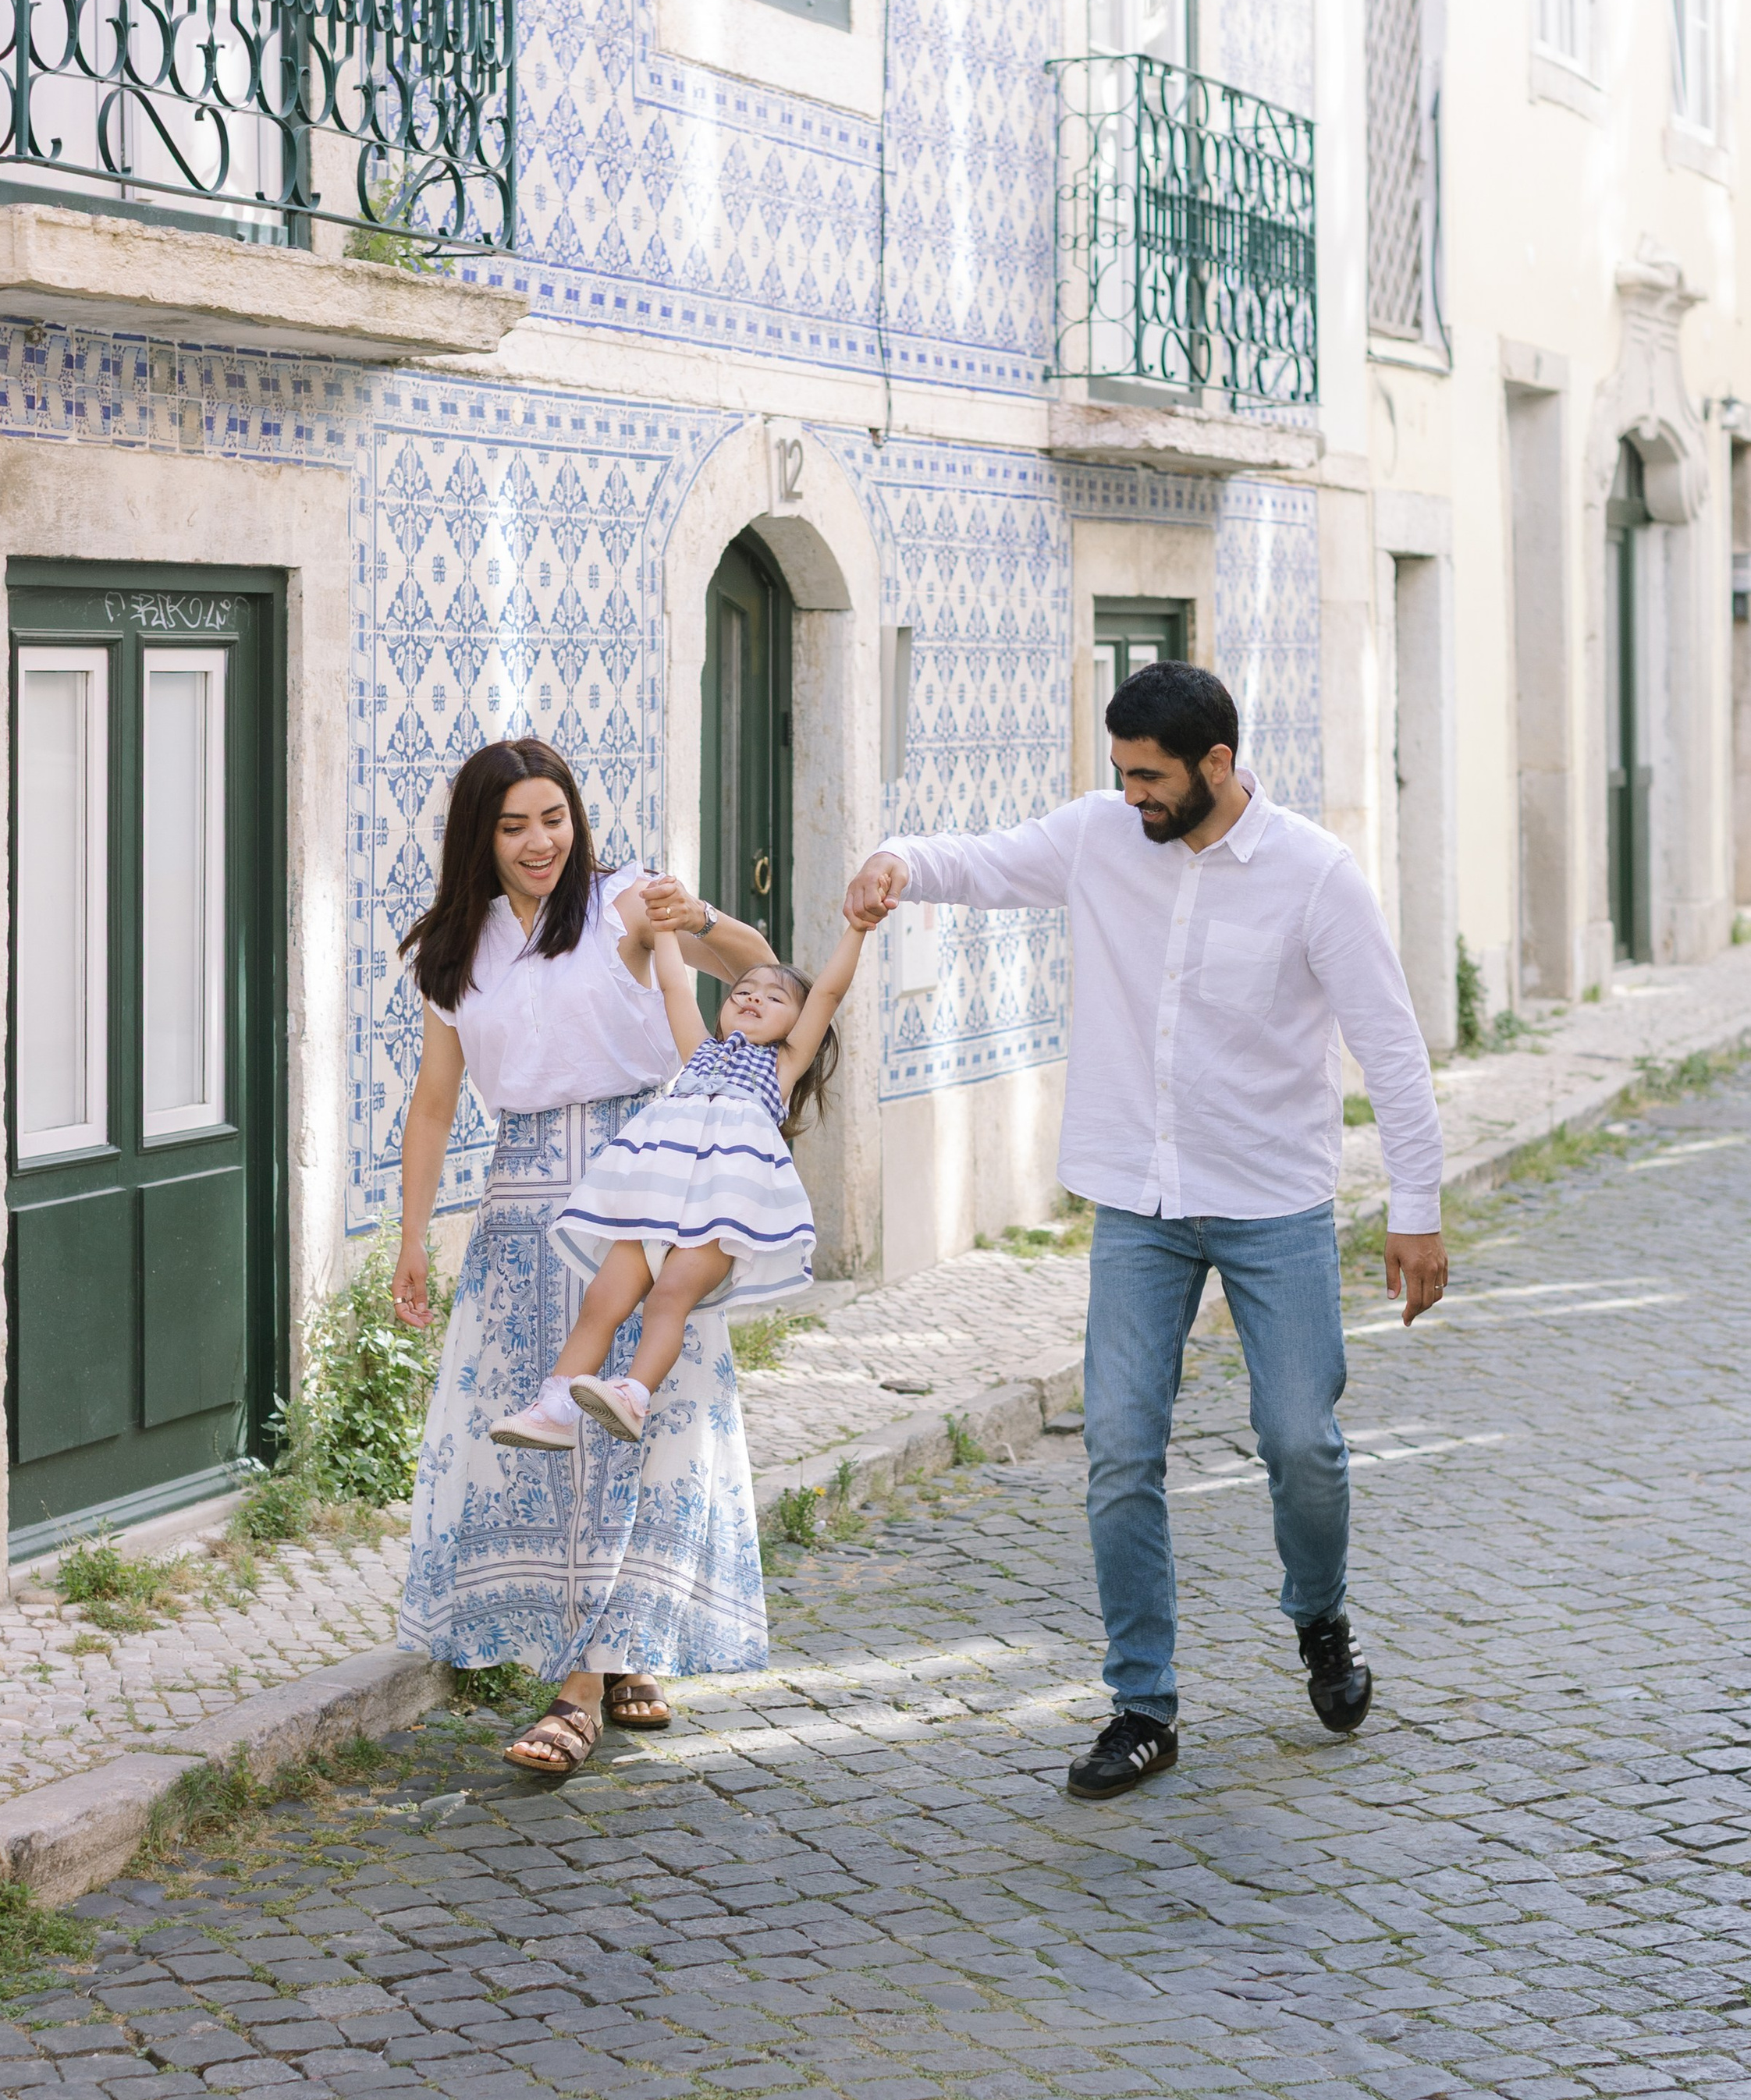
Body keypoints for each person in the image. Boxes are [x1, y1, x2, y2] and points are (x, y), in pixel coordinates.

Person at [843, 660, 1447, 1802]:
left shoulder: (1316, 876)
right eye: (1120, 775)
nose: (1130, 797)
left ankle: (1319, 1616)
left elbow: (1393, 1044)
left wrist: (1415, 1210)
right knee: (1120, 1447)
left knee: (1299, 1440)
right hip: (1138, 1200)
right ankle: (1143, 1703)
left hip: (1274, 1202)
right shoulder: (1099, 836)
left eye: (1150, 777)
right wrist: (898, 863)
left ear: (1217, 765)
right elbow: (982, 861)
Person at [389, 736, 775, 1779]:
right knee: (547, 1451)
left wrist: (696, 918)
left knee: (630, 1435)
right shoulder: (452, 951)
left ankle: (579, 1689)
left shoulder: (621, 905)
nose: (539, 842)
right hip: (518, 1209)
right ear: (481, 836)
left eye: (552, 819)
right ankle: (616, 1655)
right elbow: (433, 1104)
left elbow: (756, 970)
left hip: (643, 1189)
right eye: (513, 826)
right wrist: (415, 1239)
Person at [492, 917, 865, 1448]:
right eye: (743, 990)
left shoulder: (780, 1065)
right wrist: (663, 926)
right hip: (653, 1204)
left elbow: (829, 989)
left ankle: (633, 1396)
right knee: (602, 1297)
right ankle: (553, 1410)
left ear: (798, 1023)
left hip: (719, 1215)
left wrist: (856, 928)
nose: (754, 998)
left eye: (775, 997)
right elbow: (672, 984)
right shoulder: (700, 1053)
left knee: (668, 1297)